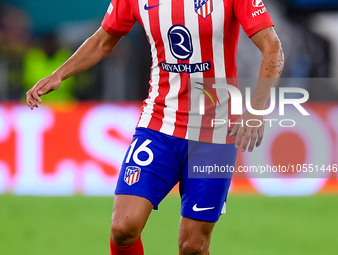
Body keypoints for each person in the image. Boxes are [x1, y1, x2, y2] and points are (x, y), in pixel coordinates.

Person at [26, 0, 284, 254]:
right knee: (123, 228)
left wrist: (256, 108)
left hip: (214, 133)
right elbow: (102, 40)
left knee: (193, 246)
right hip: (159, 125)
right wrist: (60, 73)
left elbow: (273, 48)